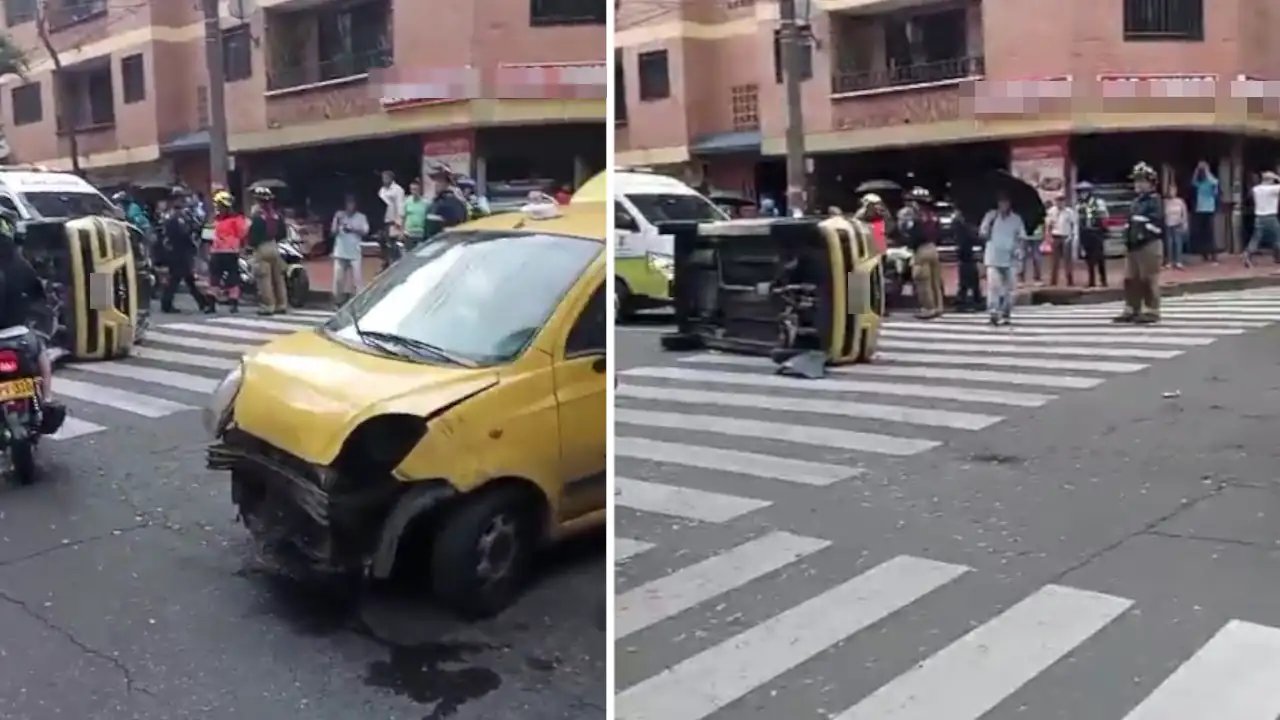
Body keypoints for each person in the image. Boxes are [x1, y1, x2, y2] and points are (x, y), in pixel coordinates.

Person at [0, 208, 53, 402]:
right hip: (19, 334)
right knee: (42, 356)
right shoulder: (20, 263)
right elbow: (38, 295)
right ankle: (47, 399)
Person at [1114, 162, 1165, 324]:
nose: (1138, 184)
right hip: (1133, 245)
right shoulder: (1135, 202)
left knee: (1148, 278)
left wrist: (1143, 232)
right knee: (1130, 279)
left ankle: (1151, 310)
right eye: (1136, 180)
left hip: (1149, 243)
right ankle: (1132, 308)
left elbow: (1157, 224)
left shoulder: (1155, 201)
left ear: (1151, 183)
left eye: (1142, 181)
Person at [159, 186, 214, 314]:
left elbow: (194, 227)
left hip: (181, 251)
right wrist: (191, 233)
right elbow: (178, 234)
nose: (183, 201)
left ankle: (202, 303)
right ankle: (167, 304)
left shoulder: (181, 215)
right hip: (177, 252)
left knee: (187, 279)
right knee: (176, 279)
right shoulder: (173, 216)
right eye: (180, 198)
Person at [979, 193, 1027, 325]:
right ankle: (993, 312)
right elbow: (982, 234)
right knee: (993, 286)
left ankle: (1006, 312)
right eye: (1001, 202)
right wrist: (986, 230)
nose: (1003, 205)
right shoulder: (991, 216)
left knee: (1010, 290)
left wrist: (1020, 250)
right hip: (993, 257)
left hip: (1011, 258)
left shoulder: (1016, 219)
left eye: (1006, 202)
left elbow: (1022, 237)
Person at [899, 186, 944, 319]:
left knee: (922, 280)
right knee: (935, 281)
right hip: (933, 248)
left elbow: (911, 233)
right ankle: (938, 307)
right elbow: (939, 233)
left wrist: (909, 242)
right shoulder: (933, 216)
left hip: (921, 249)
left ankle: (928, 308)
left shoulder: (916, 217)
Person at [247, 185, 289, 315]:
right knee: (278, 278)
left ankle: (268, 306)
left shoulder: (258, 217)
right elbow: (283, 233)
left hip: (262, 247)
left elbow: (253, 236)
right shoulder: (277, 216)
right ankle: (282, 304)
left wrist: (251, 246)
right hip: (274, 246)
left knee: (264, 278)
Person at [208, 190, 247, 313]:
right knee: (232, 278)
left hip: (217, 252)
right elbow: (243, 234)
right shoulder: (237, 219)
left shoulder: (214, 220)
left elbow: (207, 236)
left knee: (215, 279)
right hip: (230, 252)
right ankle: (232, 304)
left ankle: (211, 306)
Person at [330, 194, 369, 306]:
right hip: (340, 252)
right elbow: (333, 232)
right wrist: (337, 220)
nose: (350, 206)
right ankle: (337, 301)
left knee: (357, 279)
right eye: (348, 203)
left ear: (355, 205)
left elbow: (365, 231)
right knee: (338, 280)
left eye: (352, 203)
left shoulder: (361, 217)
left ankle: (361, 302)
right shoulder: (339, 215)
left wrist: (352, 229)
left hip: (354, 252)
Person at [1075, 181, 1109, 287]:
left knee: (1100, 256)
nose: (1083, 194)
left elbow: (1105, 216)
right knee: (1088, 257)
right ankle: (1091, 281)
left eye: (1085, 191)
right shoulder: (1079, 205)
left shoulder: (1099, 202)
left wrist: (1103, 228)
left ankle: (1103, 280)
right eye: (1081, 192)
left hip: (1096, 231)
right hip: (1085, 232)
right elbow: (1078, 220)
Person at [1243, 171, 1280, 267]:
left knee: (1256, 238)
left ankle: (1248, 254)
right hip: (1271, 216)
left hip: (1259, 217)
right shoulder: (1273, 189)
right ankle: (1278, 256)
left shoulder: (1256, 189)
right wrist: (1277, 177)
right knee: (1277, 237)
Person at [951, 208, 984, 311]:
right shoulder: (964, 227)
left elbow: (971, 239)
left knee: (967, 280)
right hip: (966, 256)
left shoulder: (962, 228)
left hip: (966, 255)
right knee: (970, 280)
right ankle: (974, 299)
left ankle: (969, 299)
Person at [1046, 193, 1077, 286]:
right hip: (1055, 236)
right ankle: (1053, 281)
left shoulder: (1069, 212)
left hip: (1066, 236)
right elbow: (1048, 225)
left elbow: (1074, 224)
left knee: (1067, 260)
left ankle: (1070, 281)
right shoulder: (1051, 211)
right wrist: (1048, 236)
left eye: (1062, 200)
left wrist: (1072, 236)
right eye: (1058, 200)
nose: (1060, 202)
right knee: (1054, 261)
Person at [1191, 161, 1219, 262]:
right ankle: (1206, 253)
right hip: (1203, 209)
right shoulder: (1201, 182)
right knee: (1205, 233)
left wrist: (1204, 170)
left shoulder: (1209, 182)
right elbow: (1193, 182)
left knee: (1208, 233)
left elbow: (1215, 183)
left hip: (1207, 209)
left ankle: (1211, 254)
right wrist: (1199, 170)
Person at [1163, 183, 1189, 270]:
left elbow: (1184, 213)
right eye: (1170, 190)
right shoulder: (1165, 202)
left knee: (1178, 242)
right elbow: (1163, 213)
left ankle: (1178, 261)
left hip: (1178, 223)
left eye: (1174, 190)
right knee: (1169, 243)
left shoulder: (1180, 201)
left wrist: (1184, 223)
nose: (1172, 192)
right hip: (1168, 224)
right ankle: (1169, 261)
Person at [401, 180, 430, 249]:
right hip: (409, 233)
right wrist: (402, 231)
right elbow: (403, 217)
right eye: (412, 189)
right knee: (409, 252)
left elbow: (428, 218)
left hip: (421, 233)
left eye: (416, 189)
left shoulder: (426, 203)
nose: (414, 192)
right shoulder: (406, 202)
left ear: (419, 190)